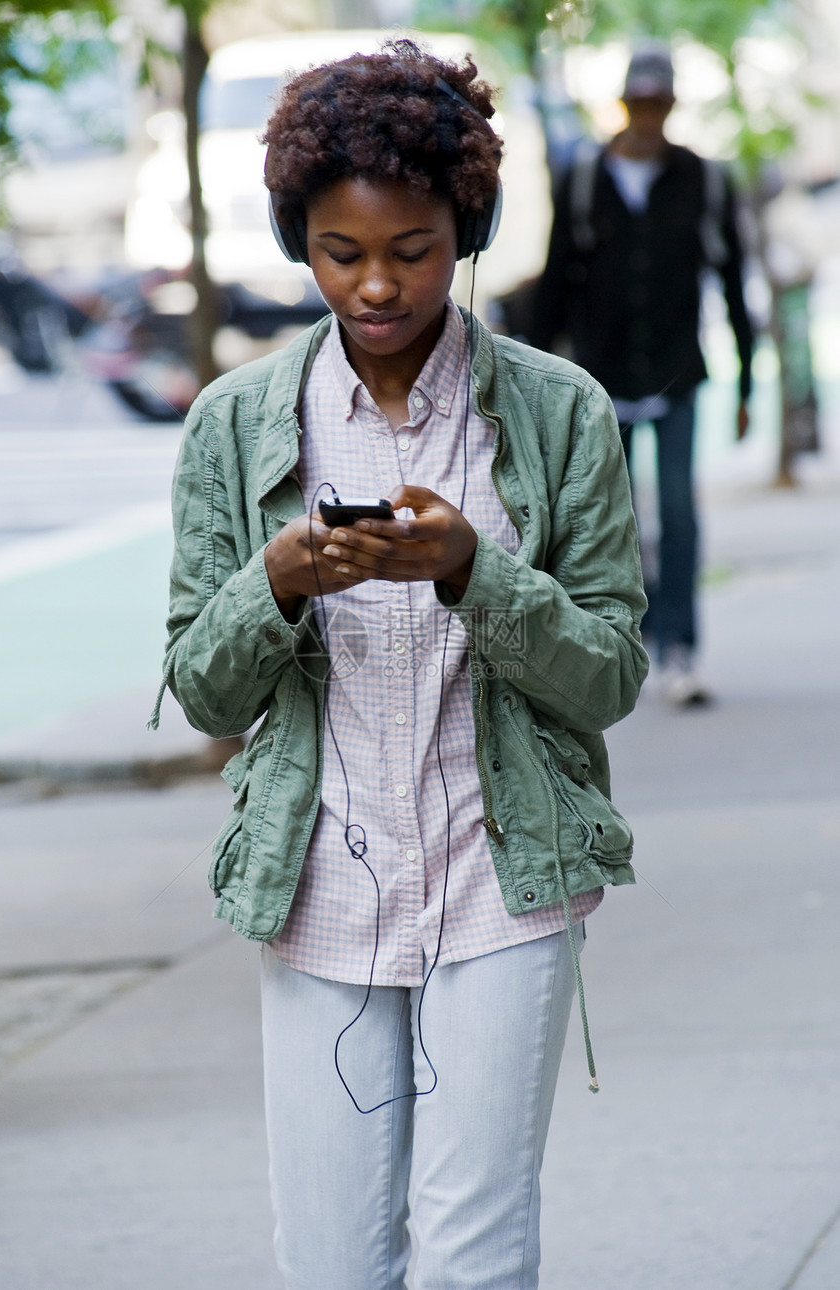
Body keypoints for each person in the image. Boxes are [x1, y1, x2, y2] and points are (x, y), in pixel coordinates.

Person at [152, 39, 647, 1290]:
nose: (375, 285)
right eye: (339, 252)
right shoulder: (237, 424)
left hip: (502, 878)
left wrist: (477, 571)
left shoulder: (556, 412)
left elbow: (608, 676)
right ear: (295, 241)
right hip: (318, 892)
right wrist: (273, 587)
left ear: (463, 228)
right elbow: (202, 691)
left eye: (411, 250)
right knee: (328, 1263)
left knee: (473, 1260)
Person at [530, 42, 755, 706]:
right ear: (625, 105)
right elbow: (553, 289)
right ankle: (620, 641)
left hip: (677, 372)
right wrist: (529, 385)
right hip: (601, 379)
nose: (650, 115)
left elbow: (734, 282)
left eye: (661, 103)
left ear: (673, 105)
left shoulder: (704, 180)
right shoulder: (581, 180)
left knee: (681, 512)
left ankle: (681, 646)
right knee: (609, 518)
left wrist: (745, 382)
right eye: (640, 102)